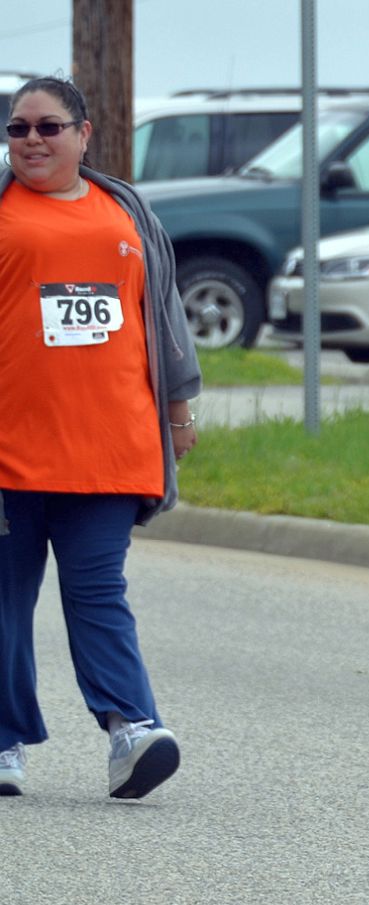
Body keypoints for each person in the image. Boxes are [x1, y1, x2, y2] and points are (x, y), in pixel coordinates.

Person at [0, 76, 200, 801]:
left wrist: (178, 411)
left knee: (98, 594)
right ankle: (3, 743)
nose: (31, 141)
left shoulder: (126, 210)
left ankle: (132, 731)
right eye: (18, 128)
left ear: (85, 134)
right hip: (10, 454)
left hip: (110, 447)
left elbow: (164, 318)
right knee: (3, 599)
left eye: (48, 127)